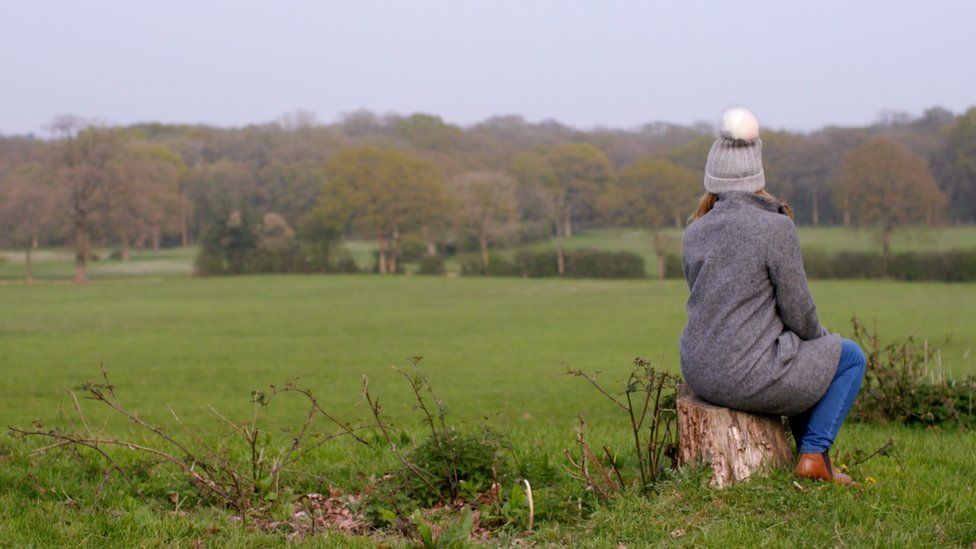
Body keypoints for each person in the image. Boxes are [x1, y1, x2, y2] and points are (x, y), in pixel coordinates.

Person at [678, 107, 867, 486]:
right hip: (744, 374)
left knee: (801, 354)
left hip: (699, 371)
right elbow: (798, 311)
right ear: (757, 176)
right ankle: (813, 455)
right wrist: (821, 342)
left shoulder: (696, 230)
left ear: (713, 178)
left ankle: (812, 455)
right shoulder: (774, 227)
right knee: (848, 357)